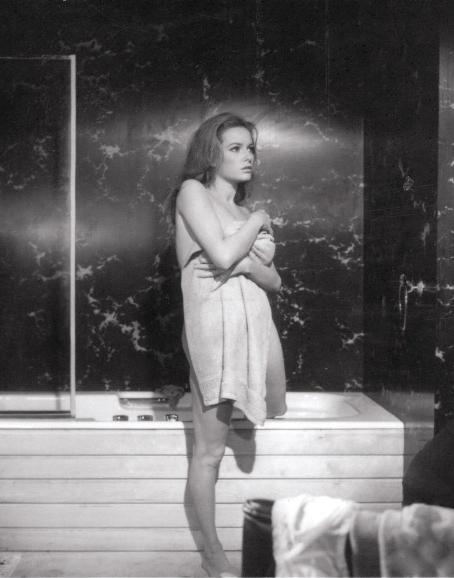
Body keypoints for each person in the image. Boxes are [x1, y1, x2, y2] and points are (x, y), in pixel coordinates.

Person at [169, 112, 287, 577]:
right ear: (211, 153)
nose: (247, 156)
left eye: (250, 148)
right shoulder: (192, 192)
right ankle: (212, 552)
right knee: (211, 453)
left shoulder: (241, 211)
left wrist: (246, 266)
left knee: (276, 403)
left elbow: (274, 281)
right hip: (214, 326)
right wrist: (257, 221)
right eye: (235, 148)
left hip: (256, 321)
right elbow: (219, 254)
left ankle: (223, 412)